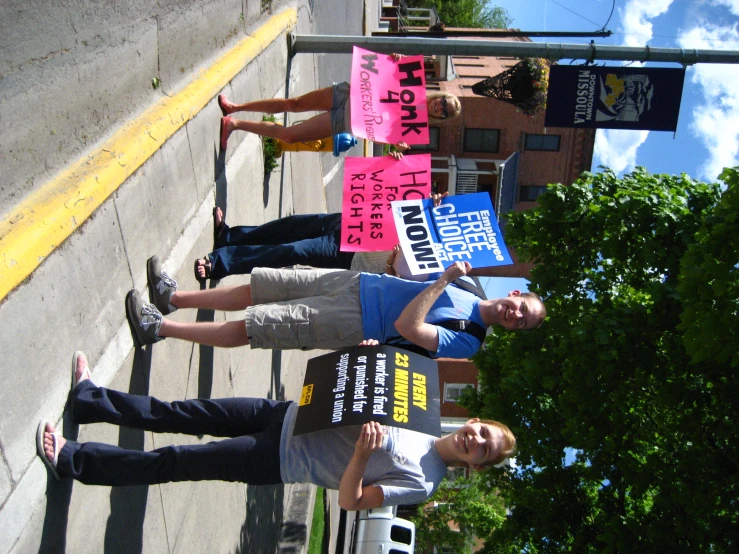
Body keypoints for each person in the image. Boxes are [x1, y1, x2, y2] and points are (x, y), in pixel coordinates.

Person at [37, 352, 516, 509]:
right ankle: (90, 400)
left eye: (483, 452)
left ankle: (73, 460)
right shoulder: (422, 410)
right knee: (181, 411)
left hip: (280, 459)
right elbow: (358, 392)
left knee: (176, 462)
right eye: (482, 434)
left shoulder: (424, 482)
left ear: (476, 466)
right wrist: (365, 355)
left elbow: (351, 501)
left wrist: (362, 457)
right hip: (285, 412)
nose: (475, 442)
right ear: (473, 422)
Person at [127, 255, 546, 359]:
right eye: (521, 308)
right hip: (358, 282)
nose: (516, 316)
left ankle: (158, 328)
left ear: (514, 330)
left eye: (521, 324)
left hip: (356, 322)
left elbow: (409, 325)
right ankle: (173, 299)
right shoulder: (470, 282)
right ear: (514, 295)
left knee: (259, 325)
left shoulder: (470, 340)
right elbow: (403, 266)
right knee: (264, 286)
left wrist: (443, 280)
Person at [218, 82, 461, 150]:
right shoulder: (412, 82)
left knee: (290, 136)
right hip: (348, 95)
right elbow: (383, 74)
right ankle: (235, 107)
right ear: (439, 96)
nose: (441, 106)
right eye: (444, 101)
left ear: (443, 118)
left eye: (445, 111)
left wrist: (394, 145)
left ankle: (235, 124)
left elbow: (375, 136)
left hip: (345, 122)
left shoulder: (413, 129)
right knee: (294, 103)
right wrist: (394, 59)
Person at [194, 207, 394, 281]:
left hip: (352, 256)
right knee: (287, 228)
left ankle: (220, 263)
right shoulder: (426, 205)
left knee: (291, 250)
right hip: (354, 223)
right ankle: (228, 238)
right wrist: (396, 159)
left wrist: (394, 261)